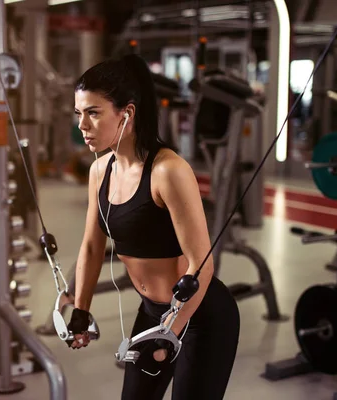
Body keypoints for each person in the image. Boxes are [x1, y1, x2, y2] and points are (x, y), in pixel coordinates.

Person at [67, 53, 241, 400]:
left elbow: (202, 264)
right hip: (152, 314)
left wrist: (171, 332)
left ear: (127, 113)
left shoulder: (167, 171)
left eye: (93, 113)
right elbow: (91, 246)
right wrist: (81, 310)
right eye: (79, 115)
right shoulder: (99, 172)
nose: (82, 126)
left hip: (201, 316)